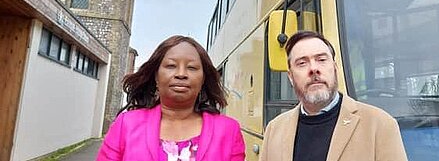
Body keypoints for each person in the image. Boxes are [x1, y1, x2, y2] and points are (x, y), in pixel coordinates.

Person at [260, 31, 407, 161]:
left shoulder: (380, 125)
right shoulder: (274, 130)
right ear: (291, 77)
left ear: (335, 69)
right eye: (302, 63)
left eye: (322, 60)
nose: (314, 69)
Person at [97, 35, 245, 161]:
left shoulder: (229, 130)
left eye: (192, 68)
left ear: (203, 79)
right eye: (171, 66)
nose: (181, 74)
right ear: (156, 75)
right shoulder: (126, 124)